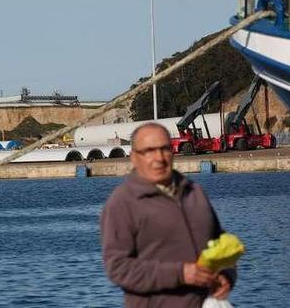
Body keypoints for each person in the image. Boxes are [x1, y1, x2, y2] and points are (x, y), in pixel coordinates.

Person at [100, 122, 235, 308]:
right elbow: (118, 267)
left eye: (165, 149)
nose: (159, 158)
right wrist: (180, 274)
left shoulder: (194, 192)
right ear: (134, 157)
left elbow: (220, 242)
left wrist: (227, 274)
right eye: (149, 150)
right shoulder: (122, 203)